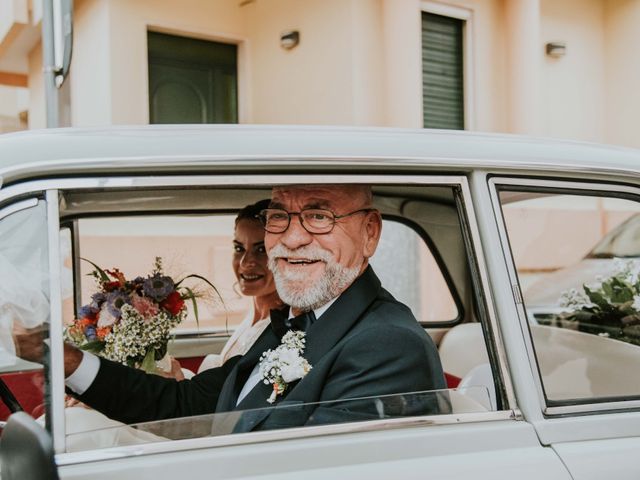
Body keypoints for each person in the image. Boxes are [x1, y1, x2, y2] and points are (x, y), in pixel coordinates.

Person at [22, 185, 447, 432]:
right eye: (279, 218)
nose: (292, 239)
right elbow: (185, 404)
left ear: (370, 233)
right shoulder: (294, 325)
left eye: (319, 216)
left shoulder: (387, 346)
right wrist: (68, 360)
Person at [197, 199, 284, 372]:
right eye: (239, 249)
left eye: (261, 250)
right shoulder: (253, 315)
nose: (245, 262)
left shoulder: (281, 330)